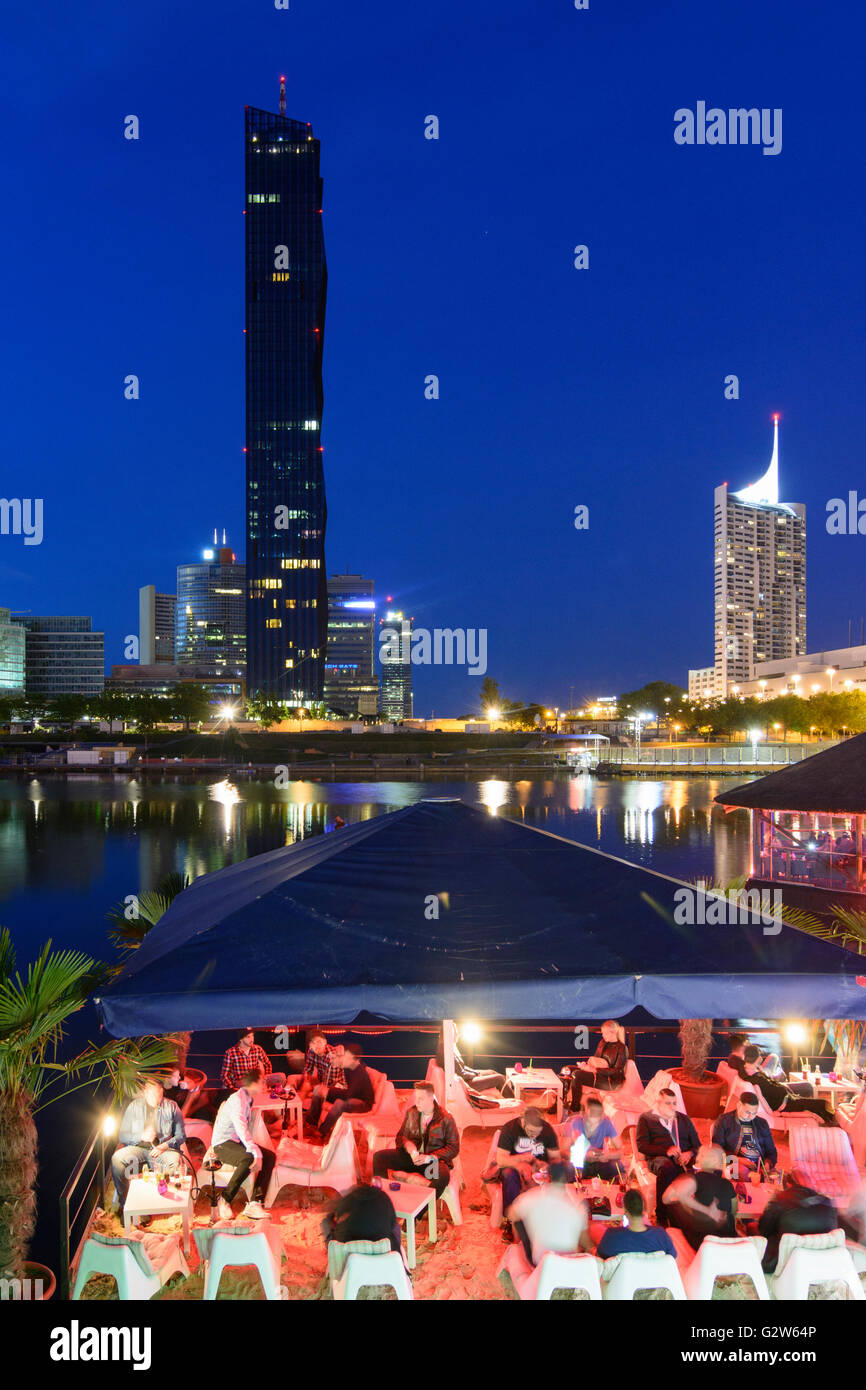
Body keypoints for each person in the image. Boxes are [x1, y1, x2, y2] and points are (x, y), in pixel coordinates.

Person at [371, 1081, 459, 1197]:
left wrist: (431, 1157)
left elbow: (453, 1148)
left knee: (443, 1176)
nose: (416, 1102)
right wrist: (408, 1145)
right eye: (416, 1098)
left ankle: (420, 1210)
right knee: (379, 1157)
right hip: (411, 1158)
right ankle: (381, 1198)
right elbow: (401, 1137)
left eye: (420, 1099)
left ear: (431, 1098)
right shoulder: (412, 1112)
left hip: (431, 1162)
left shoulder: (446, 1118)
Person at [211, 1068, 275, 1220]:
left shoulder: (248, 1098)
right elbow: (241, 1128)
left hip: (235, 1142)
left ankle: (255, 1203)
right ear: (253, 1083)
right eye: (262, 1081)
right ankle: (225, 1199)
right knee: (248, 1158)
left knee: (270, 1157)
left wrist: (257, 1150)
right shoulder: (237, 1100)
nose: (264, 1084)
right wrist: (255, 1152)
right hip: (222, 1144)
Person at [111, 1079, 185, 1208]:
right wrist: (141, 1136)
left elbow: (181, 1135)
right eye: (152, 1094)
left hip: (162, 1151)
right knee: (117, 1159)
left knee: (175, 1161)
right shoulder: (134, 1107)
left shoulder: (172, 1106)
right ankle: (126, 1203)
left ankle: (159, 1198)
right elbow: (122, 1135)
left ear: (162, 1092)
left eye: (158, 1094)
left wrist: (165, 1145)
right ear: (144, 1092)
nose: (155, 1098)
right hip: (138, 1149)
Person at [492, 1106, 564, 1238]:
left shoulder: (547, 1129)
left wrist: (546, 1166)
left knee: (563, 1170)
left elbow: (555, 1158)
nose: (534, 1136)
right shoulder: (510, 1129)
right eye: (530, 1131)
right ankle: (512, 1221)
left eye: (537, 1133)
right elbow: (501, 1160)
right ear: (523, 1121)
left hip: (539, 1169)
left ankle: (555, 1217)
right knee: (509, 1175)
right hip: (514, 1167)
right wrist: (519, 1163)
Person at [636, 1087, 700, 1224]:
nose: (672, 1107)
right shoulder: (646, 1119)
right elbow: (642, 1146)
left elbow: (698, 1146)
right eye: (667, 1103)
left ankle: (689, 1214)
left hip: (683, 1159)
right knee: (667, 1168)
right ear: (658, 1103)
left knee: (703, 1168)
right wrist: (666, 1150)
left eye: (674, 1103)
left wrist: (689, 1153)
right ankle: (662, 1215)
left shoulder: (683, 1120)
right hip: (659, 1158)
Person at [508, 1162, 593, 1266]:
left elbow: (511, 1214)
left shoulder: (532, 1196)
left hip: (541, 1261)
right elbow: (587, 1243)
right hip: (567, 1262)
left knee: (519, 1220)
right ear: (567, 1179)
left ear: (548, 1178)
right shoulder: (579, 1205)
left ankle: (520, 1253)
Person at [662, 1143, 737, 1251]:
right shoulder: (728, 1184)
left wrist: (704, 1210)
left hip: (702, 1245)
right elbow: (734, 1211)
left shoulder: (693, 1179)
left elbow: (666, 1198)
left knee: (675, 1207)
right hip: (727, 1244)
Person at [757, 1176, 840, 1273]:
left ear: (788, 1184)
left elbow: (763, 1229)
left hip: (781, 1264)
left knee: (751, 1227)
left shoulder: (780, 1200)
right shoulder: (828, 1204)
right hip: (820, 1262)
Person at [742, 1044, 837, 1124]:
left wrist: (760, 1069)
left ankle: (832, 1121)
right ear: (758, 1058)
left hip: (788, 1098)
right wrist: (771, 1113)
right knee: (823, 1104)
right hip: (787, 1104)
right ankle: (833, 1125)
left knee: (817, 1101)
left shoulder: (752, 1074)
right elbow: (761, 1098)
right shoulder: (755, 1080)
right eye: (760, 1056)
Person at [307, 1043, 374, 1139]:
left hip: (363, 1104)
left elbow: (348, 1095)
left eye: (347, 1058)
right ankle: (311, 1123)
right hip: (352, 1096)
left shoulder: (359, 1073)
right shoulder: (349, 1068)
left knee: (339, 1103)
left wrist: (329, 1092)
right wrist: (326, 1090)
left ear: (356, 1060)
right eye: (345, 1056)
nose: (344, 1059)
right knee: (318, 1089)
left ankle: (322, 1132)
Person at [596, 1188, 678, 1259]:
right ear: (644, 1207)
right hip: (653, 1276)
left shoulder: (611, 1236)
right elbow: (672, 1258)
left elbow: (599, 1258)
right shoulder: (661, 1235)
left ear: (625, 1210)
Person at [322, 1182, 402, 1254]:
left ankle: (332, 1253)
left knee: (325, 1222)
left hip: (350, 1253)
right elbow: (392, 1224)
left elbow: (336, 1219)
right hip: (382, 1250)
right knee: (395, 1227)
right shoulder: (383, 1198)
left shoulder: (349, 1199)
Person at [712, 1091, 778, 1175]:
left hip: (758, 1166)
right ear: (739, 1105)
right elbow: (716, 1150)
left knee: (779, 1179)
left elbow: (771, 1151)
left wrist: (768, 1163)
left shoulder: (762, 1123)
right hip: (734, 1163)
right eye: (747, 1112)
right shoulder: (724, 1121)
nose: (751, 1117)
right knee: (742, 1172)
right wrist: (738, 1159)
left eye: (754, 1113)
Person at [568, 1020, 628, 1110]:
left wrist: (595, 1070)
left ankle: (574, 1108)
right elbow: (596, 1059)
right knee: (568, 1069)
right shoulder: (603, 1043)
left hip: (611, 1081)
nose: (602, 1035)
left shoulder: (621, 1048)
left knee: (577, 1075)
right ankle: (561, 1103)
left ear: (613, 1032)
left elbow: (617, 1071)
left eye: (605, 1033)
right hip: (599, 1075)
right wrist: (586, 1065)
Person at [562, 1096, 624, 1179]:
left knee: (618, 1167)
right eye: (590, 1122)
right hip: (580, 1162)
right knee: (567, 1169)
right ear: (583, 1115)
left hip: (599, 1162)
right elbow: (562, 1152)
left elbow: (621, 1150)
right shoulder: (575, 1123)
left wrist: (608, 1155)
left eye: (598, 1121)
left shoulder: (606, 1123)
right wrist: (584, 1156)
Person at [435, 1031, 507, 1093]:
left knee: (491, 1072)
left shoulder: (449, 1046)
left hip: (466, 1078)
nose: (458, 1034)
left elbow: (462, 1067)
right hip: (465, 1083)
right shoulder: (445, 1051)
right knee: (499, 1078)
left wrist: (476, 1073)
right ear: (449, 1033)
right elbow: (460, 1075)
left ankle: (509, 1086)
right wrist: (475, 1075)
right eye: (456, 1032)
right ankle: (514, 1101)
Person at [219, 1028, 271, 1099]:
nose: (252, 1039)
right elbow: (224, 1076)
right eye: (248, 1037)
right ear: (241, 1039)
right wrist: (233, 1089)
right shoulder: (231, 1053)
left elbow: (267, 1064)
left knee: (281, 1077)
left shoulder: (258, 1049)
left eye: (252, 1036)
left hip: (255, 1083)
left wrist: (265, 1078)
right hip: (241, 1085)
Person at [296, 1032, 345, 1100]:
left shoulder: (333, 1056)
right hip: (322, 1081)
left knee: (317, 1092)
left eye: (319, 1042)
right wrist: (306, 1080)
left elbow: (332, 1081)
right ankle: (297, 1106)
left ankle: (313, 1099)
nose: (317, 1045)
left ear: (325, 1042)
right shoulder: (311, 1051)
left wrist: (316, 1089)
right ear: (310, 1045)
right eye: (313, 1043)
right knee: (305, 1085)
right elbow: (308, 1069)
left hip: (337, 1085)